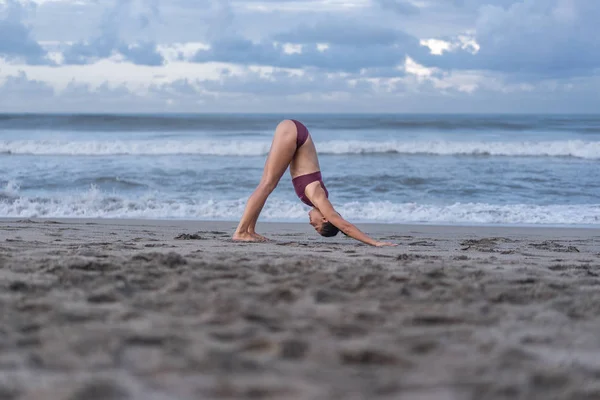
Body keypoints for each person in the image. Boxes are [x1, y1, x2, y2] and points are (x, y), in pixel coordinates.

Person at [232, 119, 397, 247]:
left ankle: (249, 230)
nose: (311, 223)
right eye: (316, 226)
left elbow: (340, 225)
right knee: (267, 185)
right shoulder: (319, 198)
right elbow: (344, 226)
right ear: (325, 219)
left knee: (267, 185)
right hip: (294, 133)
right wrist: (374, 242)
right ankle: (241, 232)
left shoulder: (317, 198)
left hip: (295, 133)